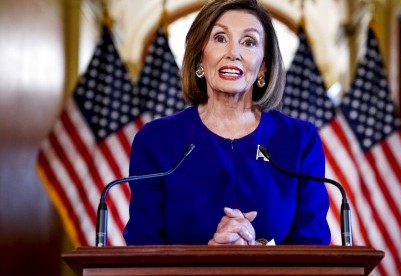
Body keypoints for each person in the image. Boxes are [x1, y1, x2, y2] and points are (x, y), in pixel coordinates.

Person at [123, 0, 331, 246]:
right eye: (220, 38)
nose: (234, 52)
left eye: (249, 42)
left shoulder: (300, 140)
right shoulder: (156, 140)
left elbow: (314, 246)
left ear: (263, 66)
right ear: (200, 57)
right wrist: (208, 259)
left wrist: (259, 255)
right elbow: (142, 247)